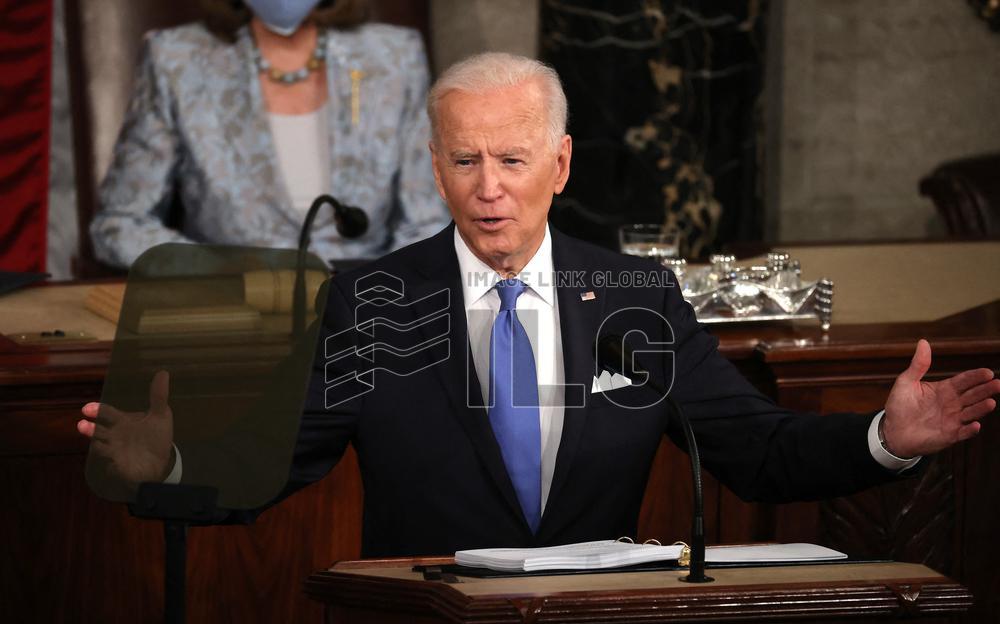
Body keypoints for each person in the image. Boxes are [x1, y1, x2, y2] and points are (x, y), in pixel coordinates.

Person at [78, 53, 1000, 558]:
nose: (489, 189)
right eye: (465, 161)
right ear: (436, 169)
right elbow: (281, 458)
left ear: (557, 166)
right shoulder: (372, 298)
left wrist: (883, 438)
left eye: (513, 161)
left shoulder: (635, 296)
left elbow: (753, 450)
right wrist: (174, 462)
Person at [89, 0, 449, 269]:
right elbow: (120, 225)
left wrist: (378, 295)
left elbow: (426, 223)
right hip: (233, 314)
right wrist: (223, 270)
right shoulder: (174, 59)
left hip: (367, 315)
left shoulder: (395, 56)